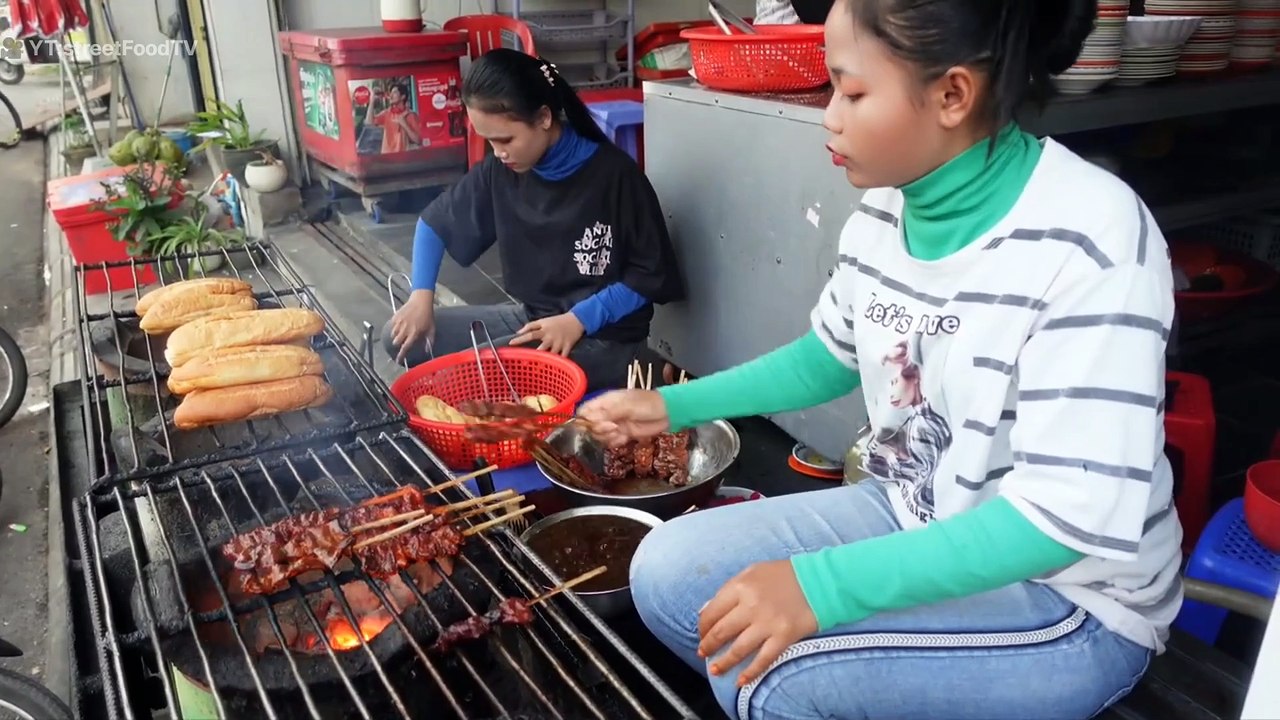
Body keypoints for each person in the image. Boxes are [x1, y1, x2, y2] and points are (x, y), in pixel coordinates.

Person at [578, 1, 1182, 718]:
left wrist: (822, 588)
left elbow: (1058, 519)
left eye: (852, 90)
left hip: (1073, 599)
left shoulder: (1090, 238)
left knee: (772, 684)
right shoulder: (886, 213)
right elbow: (828, 358)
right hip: (913, 511)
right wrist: (673, 405)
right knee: (667, 572)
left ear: (952, 94)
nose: (830, 116)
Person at [383, 49, 682, 392]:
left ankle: (643, 368)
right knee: (402, 339)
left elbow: (649, 276)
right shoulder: (502, 169)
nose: (498, 152)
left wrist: (577, 320)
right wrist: (421, 297)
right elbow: (433, 225)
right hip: (534, 320)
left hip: (604, 337)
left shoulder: (615, 177)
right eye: (490, 141)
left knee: (473, 380)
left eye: (506, 139)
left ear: (543, 117)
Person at [370, 82, 420, 153]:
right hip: (387, 160)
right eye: (391, 92)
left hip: (404, 160)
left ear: (403, 96)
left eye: (394, 92)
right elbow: (369, 122)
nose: (391, 95)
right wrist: (371, 101)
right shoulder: (387, 113)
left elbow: (418, 140)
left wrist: (404, 124)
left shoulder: (411, 115)